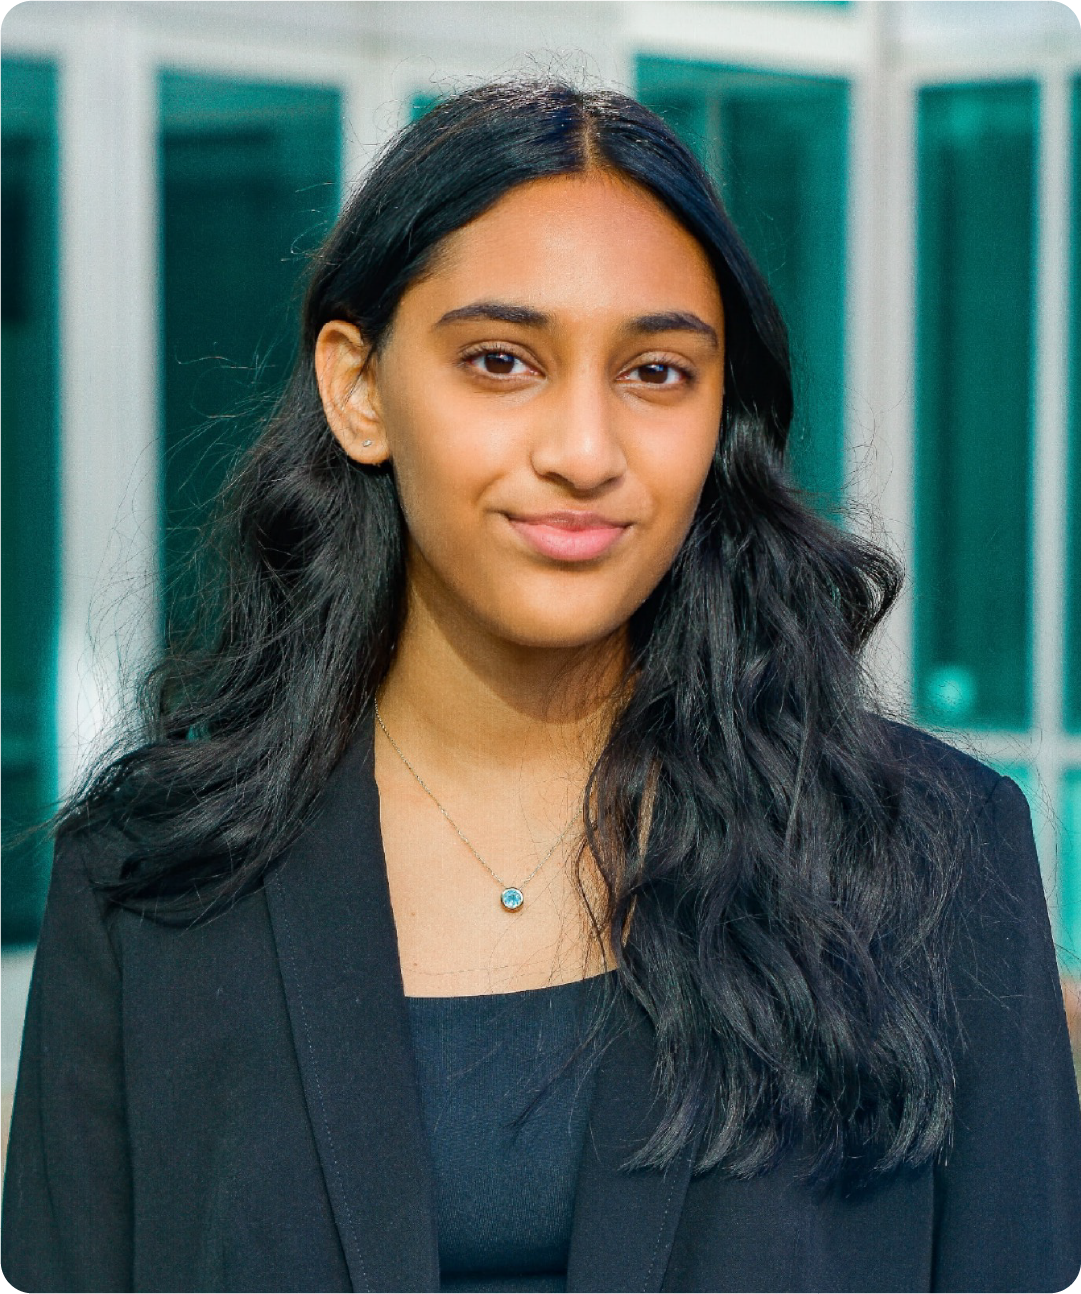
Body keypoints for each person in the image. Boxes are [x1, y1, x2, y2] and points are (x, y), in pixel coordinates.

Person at [2, 79, 1079, 1294]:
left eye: (656, 372)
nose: (582, 452)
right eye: (501, 360)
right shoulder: (152, 879)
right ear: (359, 388)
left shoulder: (929, 859)